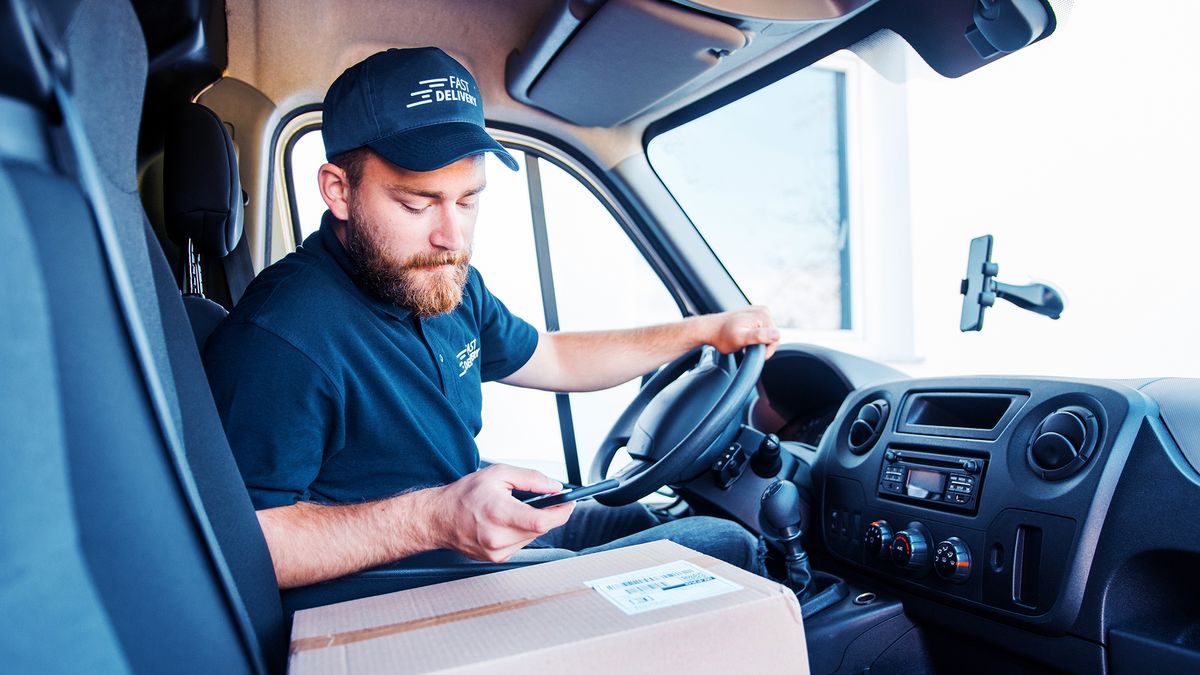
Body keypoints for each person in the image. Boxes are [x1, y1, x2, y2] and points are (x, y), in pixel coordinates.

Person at [204, 47, 781, 589]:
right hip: (406, 587)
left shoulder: (441, 281)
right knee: (721, 543)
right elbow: (243, 546)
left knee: (640, 518)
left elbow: (552, 356)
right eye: (416, 202)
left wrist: (704, 331)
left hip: (464, 541)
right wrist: (435, 518)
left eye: (468, 199)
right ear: (339, 191)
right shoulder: (282, 338)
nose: (451, 237)